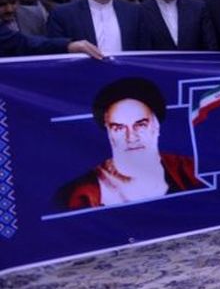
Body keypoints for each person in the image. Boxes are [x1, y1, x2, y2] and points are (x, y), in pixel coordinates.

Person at [55, 77, 204, 208]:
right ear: (108, 132)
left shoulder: (190, 170)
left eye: (140, 125)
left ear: (156, 126)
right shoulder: (79, 195)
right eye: (119, 128)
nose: (131, 138)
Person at [0, 0, 102, 58]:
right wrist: (68, 45)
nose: (9, 9)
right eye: (2, 5)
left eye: (13, 3)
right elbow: (24, 43)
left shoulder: (34, 15)